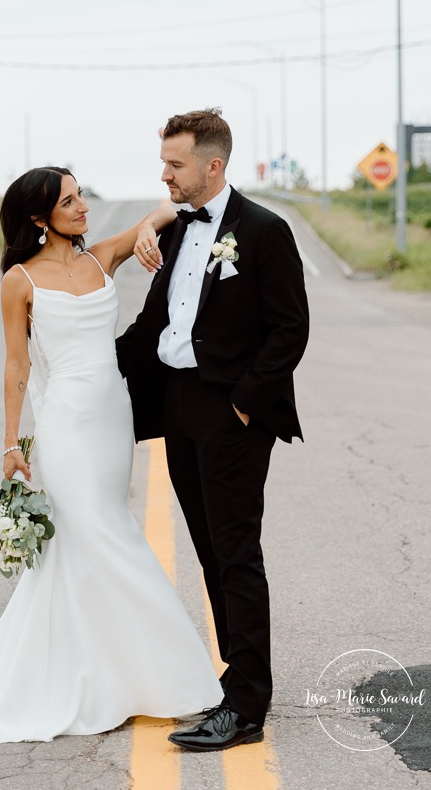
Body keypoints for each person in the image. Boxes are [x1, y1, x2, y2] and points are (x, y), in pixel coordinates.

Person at [0, 166, 221, 743]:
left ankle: (114, 670)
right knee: (106, 536)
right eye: (69, 200)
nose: (83, 207)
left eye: (81, 195)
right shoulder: (20, 281)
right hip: (65, 425)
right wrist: (11, 441)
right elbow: (16, 365)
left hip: (112, 417)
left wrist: (153, 230)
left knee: (98, 537)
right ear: (38, 218)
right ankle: (160, 676)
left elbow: (154, 216)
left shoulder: (101, 257)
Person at [117, 109, 309, 752]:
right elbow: (155, 327)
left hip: (232, 415)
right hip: (178, 408)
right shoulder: (173, 229)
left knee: (236, 555)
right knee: (207, 550)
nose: (164, 174)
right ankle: (235, 682)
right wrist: (87, 367)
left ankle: (249, 704)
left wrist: (246, 406)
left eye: (175, 164)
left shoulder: (264, 231)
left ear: (212, 165)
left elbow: (290, 328)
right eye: (164, 162)